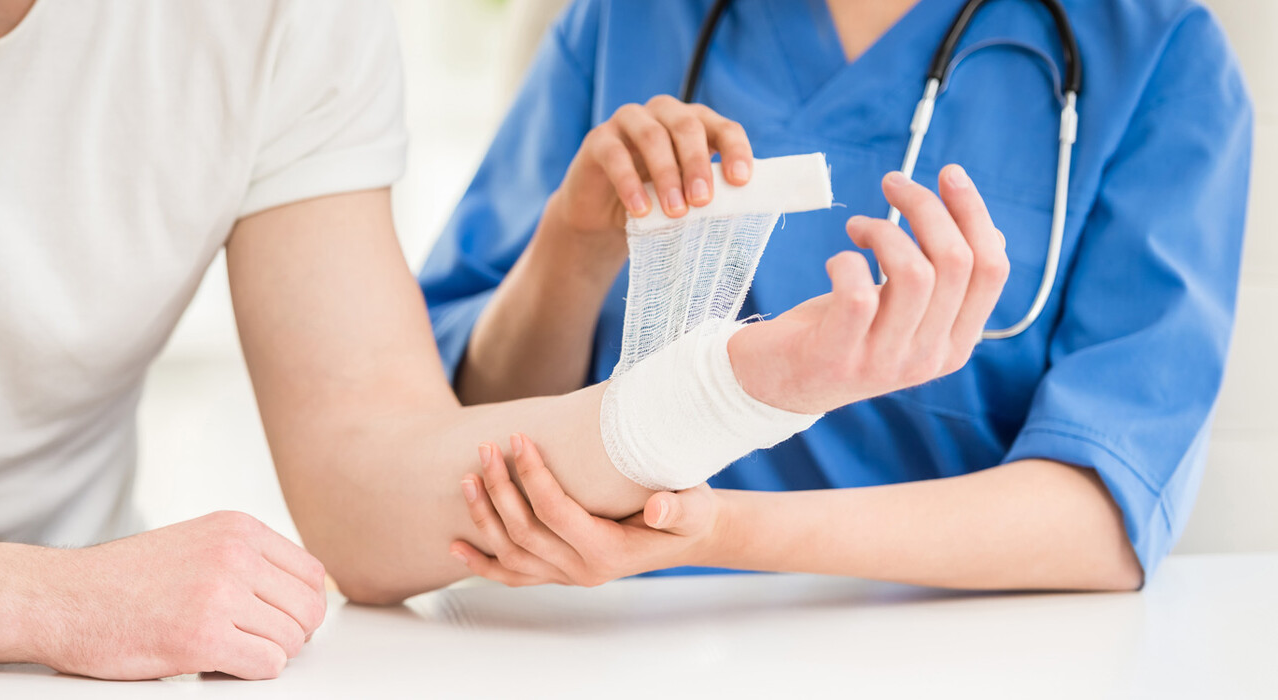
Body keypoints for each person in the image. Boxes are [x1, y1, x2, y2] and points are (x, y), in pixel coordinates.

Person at [0, 0, 1007, 680]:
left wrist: (749, 383)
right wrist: (47, 601)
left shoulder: (285, 21)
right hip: (65, 633)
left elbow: (369, 489)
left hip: (79, 677)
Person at [419, 0, 1252, 589]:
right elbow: (455, 426)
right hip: (587, 629)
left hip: (953, 653)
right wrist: (575, 246)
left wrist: (709, 537)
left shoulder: (1160, 54)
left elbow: (1103, 515)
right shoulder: (625, 19)